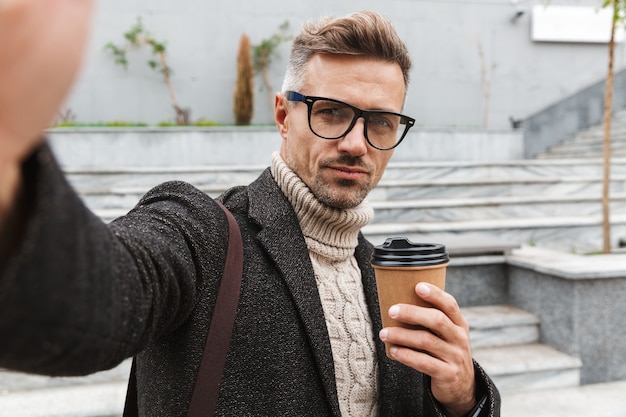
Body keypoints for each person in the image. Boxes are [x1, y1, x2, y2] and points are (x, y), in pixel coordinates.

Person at [0, 2, 501, 416]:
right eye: (331, 112)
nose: (356, 143)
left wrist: (463, 399)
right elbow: (90, 303)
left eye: (381, 123)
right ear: (284, 116)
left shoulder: (387, 276)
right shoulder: (200, 231)